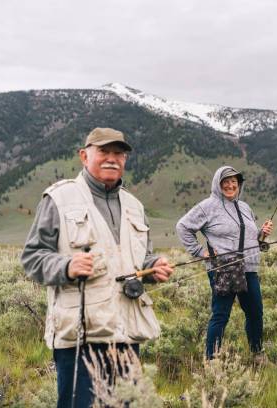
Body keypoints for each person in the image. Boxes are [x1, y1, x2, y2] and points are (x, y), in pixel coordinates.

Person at [21, 127, 173, 408]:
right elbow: (32, 257)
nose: (112, 158)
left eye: (119, 153)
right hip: (80, 335)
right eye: (103, 151)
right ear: (84, 155)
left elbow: (140, 259)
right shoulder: (59, 198)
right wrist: (66, 266)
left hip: (126, 331)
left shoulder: (135, 206)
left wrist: (154, 268)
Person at [176, 166, 273, 360]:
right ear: (218, 184)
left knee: (255, 313)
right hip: (223, 269)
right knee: (221, 316)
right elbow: (183, 227)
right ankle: (212, 361)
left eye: (234, 182)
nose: (230, 185)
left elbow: (249, 236)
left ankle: (257, 354)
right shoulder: (207, 206)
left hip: (249, 268)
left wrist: (262, 233)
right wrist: (199, 251)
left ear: (239, 185)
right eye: (225, 182)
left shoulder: (244, 207)